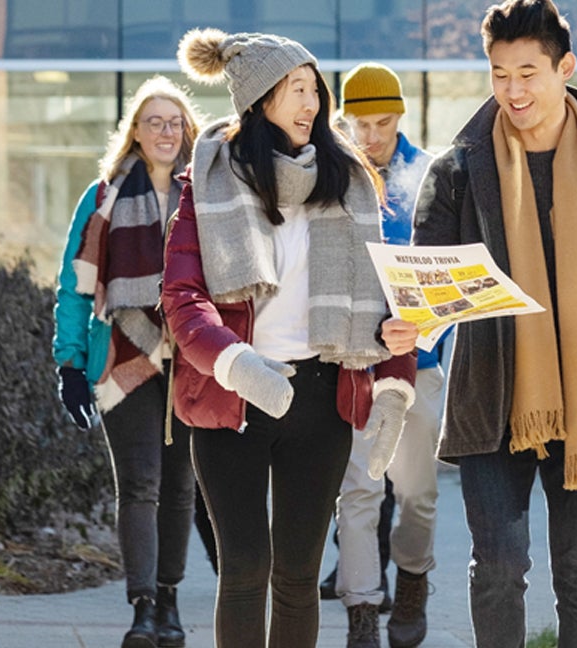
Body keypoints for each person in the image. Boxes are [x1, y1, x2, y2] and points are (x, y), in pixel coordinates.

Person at [408, 1, 577, 646]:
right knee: (499, 570)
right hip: (491, 399)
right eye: (499, 74)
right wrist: (405, 324)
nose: (513, 90)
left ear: (566, 68)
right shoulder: (455, 171)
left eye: (528, 72)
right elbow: (421, 286)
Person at [168, 28, 419, 647]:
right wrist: (234, 363)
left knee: (300, 575)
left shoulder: (350, 182)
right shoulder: (210, 181)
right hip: (234, 398)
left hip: (319, 397)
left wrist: (393, 384)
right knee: (247, 569)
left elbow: (388, 302)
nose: (311, 103)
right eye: (295, 89)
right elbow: (181, 299)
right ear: (258, 99)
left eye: (314, 89)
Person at [51, 74, 203, 648]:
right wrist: (68, 365)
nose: (165, 131)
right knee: (140, 483)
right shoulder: (103, 197)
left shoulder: (208, 192)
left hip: (193, 358)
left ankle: (169, 601)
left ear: (187, 130)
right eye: (153, 122)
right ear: (135, 133)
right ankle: (142, 608)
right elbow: (73, 284)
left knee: (182, 487)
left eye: (174, 122)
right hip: (123, 356)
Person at [332, 61, 448, 648]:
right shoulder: (331, 175)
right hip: (353, 365)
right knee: (358, 492)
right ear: (343, 120)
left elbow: (451, 278)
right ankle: (360, 613)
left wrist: (423, 329)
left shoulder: (431, 176)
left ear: (400, 116)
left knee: (417, 495)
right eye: (359, 123)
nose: (370, 136)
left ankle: (412, 580)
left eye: (381, 122)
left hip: (420, 366)